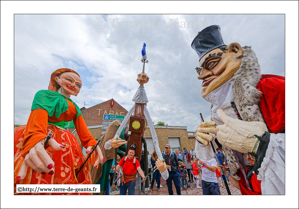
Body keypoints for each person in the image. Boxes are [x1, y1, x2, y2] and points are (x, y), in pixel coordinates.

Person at [191, 25, 285, 195]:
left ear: (235, 51)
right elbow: (209, 153)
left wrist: (263, 145)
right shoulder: (217, 113)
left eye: (211, 64)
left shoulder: (275, 89)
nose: (202, 75)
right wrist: (203, 141)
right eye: (199, 70)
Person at [14, 68, 104, 194]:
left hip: (64, 141)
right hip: (44, 134)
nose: (73, 85)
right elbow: (37, 121)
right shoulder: (43, 95)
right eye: (69, 80)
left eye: (78, 85)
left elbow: (84, 133)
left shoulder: (75, 107)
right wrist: (36, 139)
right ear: (56, 79)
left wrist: (91, 143)